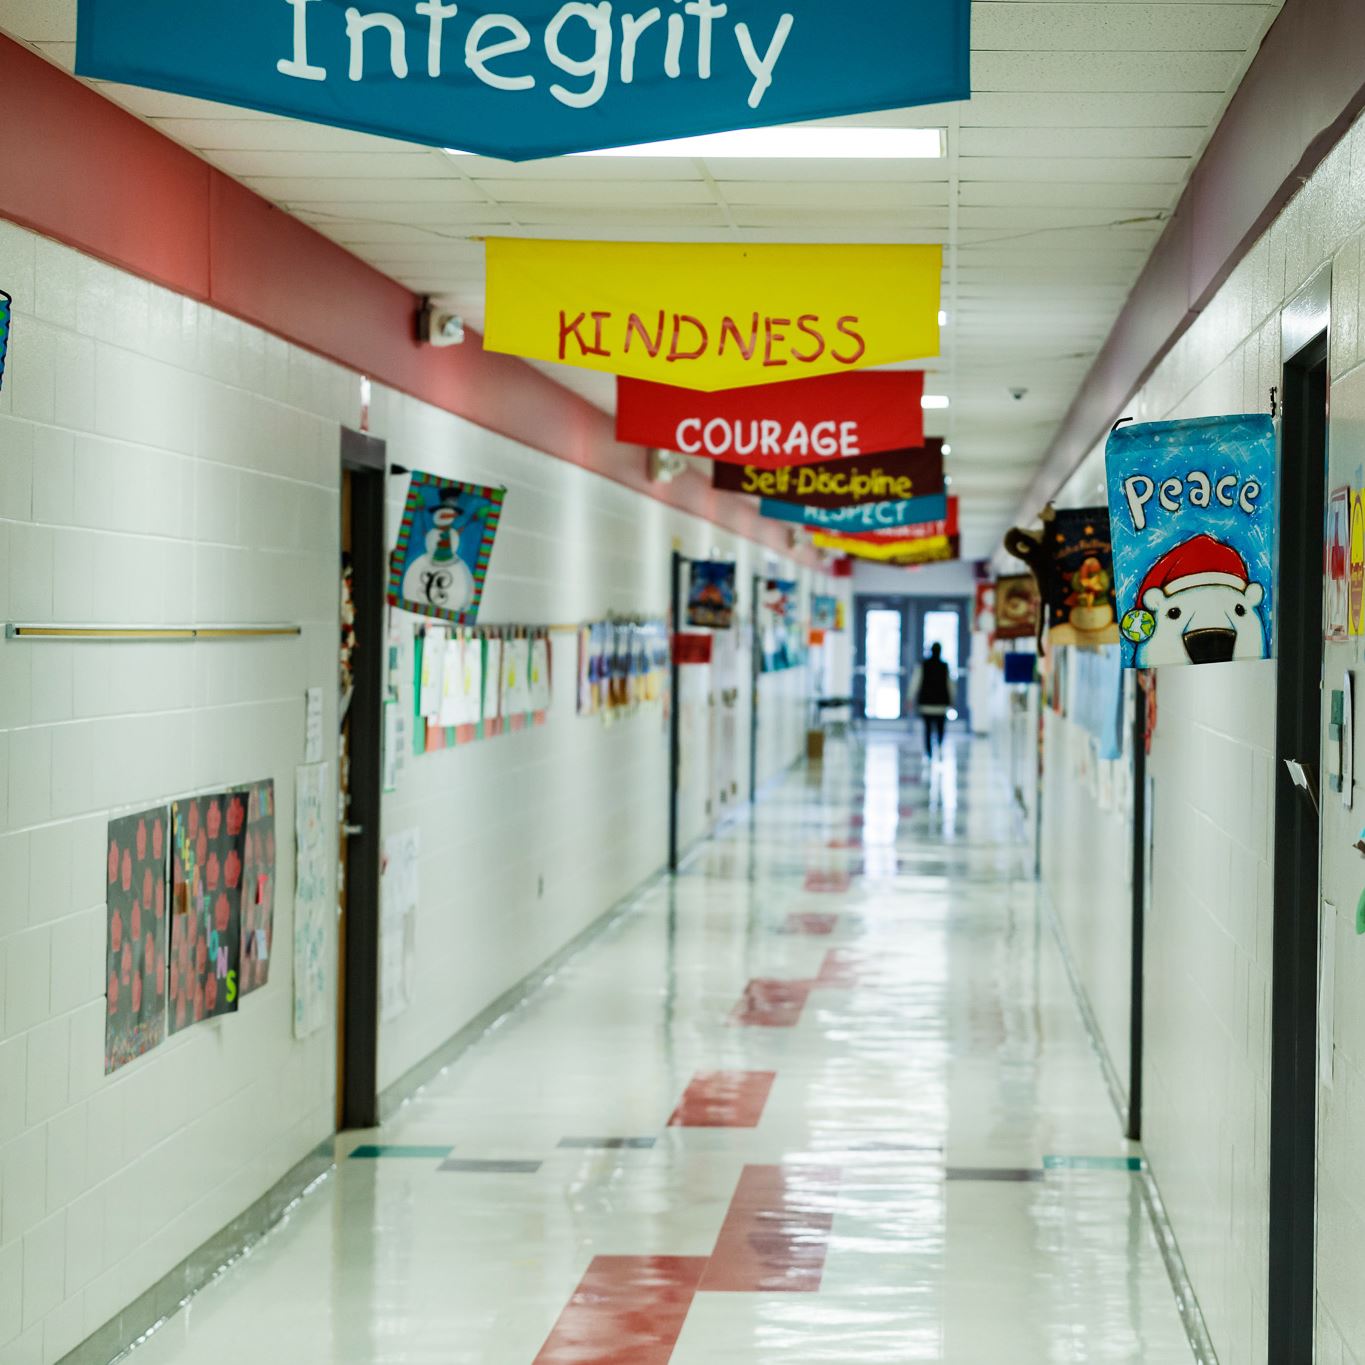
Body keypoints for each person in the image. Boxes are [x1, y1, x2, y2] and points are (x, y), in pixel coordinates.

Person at [911, 643, 955, 758]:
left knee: (928, 729)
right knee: (940, 727)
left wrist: (910, 697)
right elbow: (950, 685)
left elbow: (915, 682)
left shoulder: (923, 665)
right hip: (941, 704)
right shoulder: (944, 666)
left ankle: (929, 752)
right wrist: (952, 700)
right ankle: (939, 746)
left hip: (926, 703)